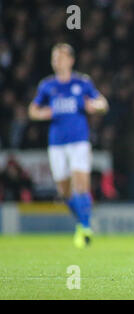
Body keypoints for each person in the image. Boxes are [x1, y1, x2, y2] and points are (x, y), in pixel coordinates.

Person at [28, 43, 108, 248]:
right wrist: (44, 113)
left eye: (61, 57)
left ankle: (87, 227)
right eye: (55, 58)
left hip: (79, 141)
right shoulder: (47, 85)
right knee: (64, 192)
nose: (57, 61)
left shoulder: (82, 83)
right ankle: (83, 223)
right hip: (56, 144)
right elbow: (32, 110)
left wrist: (95, 106)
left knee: (81, 184)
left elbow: (102, 103)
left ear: (71, 60)